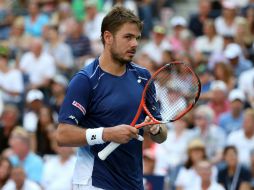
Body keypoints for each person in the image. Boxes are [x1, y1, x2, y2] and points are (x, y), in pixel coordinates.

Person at [56, 6, 167, 190]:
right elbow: (62, 135)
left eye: (137, 38)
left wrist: (156, 129)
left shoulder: (144, 77)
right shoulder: (85, 80)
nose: (134, 44)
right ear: (108, 37)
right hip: (94, 182)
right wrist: (107, 134)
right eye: (128, 37)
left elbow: (162, 135)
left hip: (133, 183)